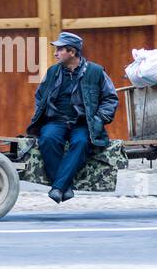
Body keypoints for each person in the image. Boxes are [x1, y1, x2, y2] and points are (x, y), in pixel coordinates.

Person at [25, 31, 119, 203]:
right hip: (56, 121)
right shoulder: (53, 72)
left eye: (60, 49)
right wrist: (41, 114)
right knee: (47, 138)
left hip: (83, 123)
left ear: (72, 52)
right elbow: (40, 96)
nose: (55, 53)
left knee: (81, 142)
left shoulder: (96, 72)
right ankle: (64, 188)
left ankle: (58, 187)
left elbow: (110, 98)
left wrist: (98, 119)